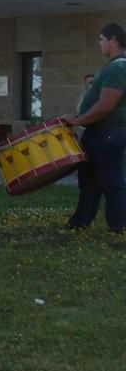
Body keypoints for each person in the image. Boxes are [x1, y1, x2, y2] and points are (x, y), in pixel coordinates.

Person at [63, 23, 126, 233]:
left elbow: (107, 104)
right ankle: (80, 222)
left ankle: (119, 225)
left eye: (101, 39)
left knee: (111, 180)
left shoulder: (118, 67)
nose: (99, 44)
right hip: (98, 131)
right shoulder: (112, 66)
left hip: (107, 132)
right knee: (88, 179)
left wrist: (78, 120)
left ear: (113, 40)